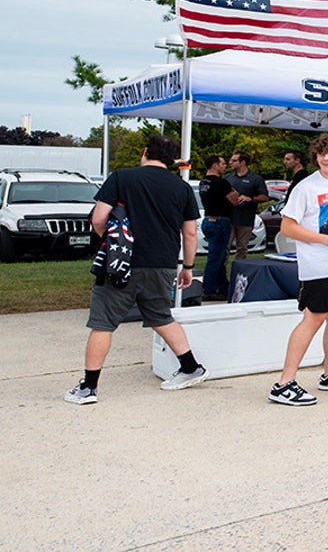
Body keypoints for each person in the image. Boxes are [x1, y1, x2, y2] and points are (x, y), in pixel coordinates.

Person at [66, 134, 208, 404]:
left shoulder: (122, 178)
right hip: (163, 263)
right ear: (172, 160)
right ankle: (190, 367)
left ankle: (88, 387)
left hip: (122, 262)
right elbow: (190, 234)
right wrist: (187, 267)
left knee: (103, 323)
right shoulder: (182, 188)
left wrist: (108, 241)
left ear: (145, 152)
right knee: (161, 316)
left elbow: (99, 218)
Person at [268, 134, 328, 406]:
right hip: (317, 266)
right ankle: (283, 383)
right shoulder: (306, 187)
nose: (327, 158)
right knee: (313, 318)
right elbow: (288, 227)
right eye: (322, 153)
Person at [198, 155, 240, 301]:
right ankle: (208, 289)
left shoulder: (203, 182)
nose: (225, 166)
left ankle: (223, 287)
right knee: (215, 258)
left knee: (220, 256)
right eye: (222, 163)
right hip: (220, 222)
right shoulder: (221, 183)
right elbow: (235, 200)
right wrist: (236, 195)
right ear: (214, 165)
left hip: (208, 220)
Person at [225, 151, 269, 260]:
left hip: (245, 219)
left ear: (243, 162)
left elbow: (265, 197)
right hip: (228, 218)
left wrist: (250, 198)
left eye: (234, 161)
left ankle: (239, 273)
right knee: (224, 247)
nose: (230, 163)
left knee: (242, 248)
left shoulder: (255, 178)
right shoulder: (227, 178)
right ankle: (221, 274)